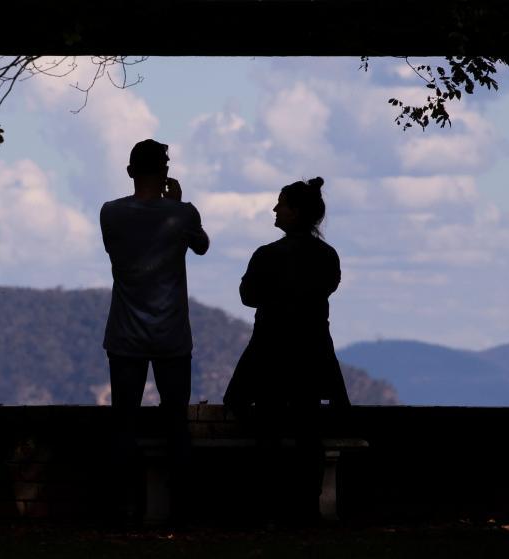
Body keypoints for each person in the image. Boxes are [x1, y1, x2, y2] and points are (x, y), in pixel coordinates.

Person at [223, 176, 349, 521]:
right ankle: (306, 506)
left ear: (295, 212)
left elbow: (248, 296)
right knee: (309, 433)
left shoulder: (267, 255)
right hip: (313, 355)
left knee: (267, 431)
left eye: (281, 204)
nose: (275, 209)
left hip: (269, 355)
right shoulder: (327, 256)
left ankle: (270, 504)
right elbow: (329, 287)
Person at [100, 139, 209, 523]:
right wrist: (177, 204)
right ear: (165, 173)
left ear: (130, 171)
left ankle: (122, 509)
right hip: (172, 334)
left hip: (125, 333)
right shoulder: (183, 214)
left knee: (124, 422)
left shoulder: (111, 213)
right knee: (176, 421)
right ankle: (182, 509)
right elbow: (202, 246)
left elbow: (114, 249)